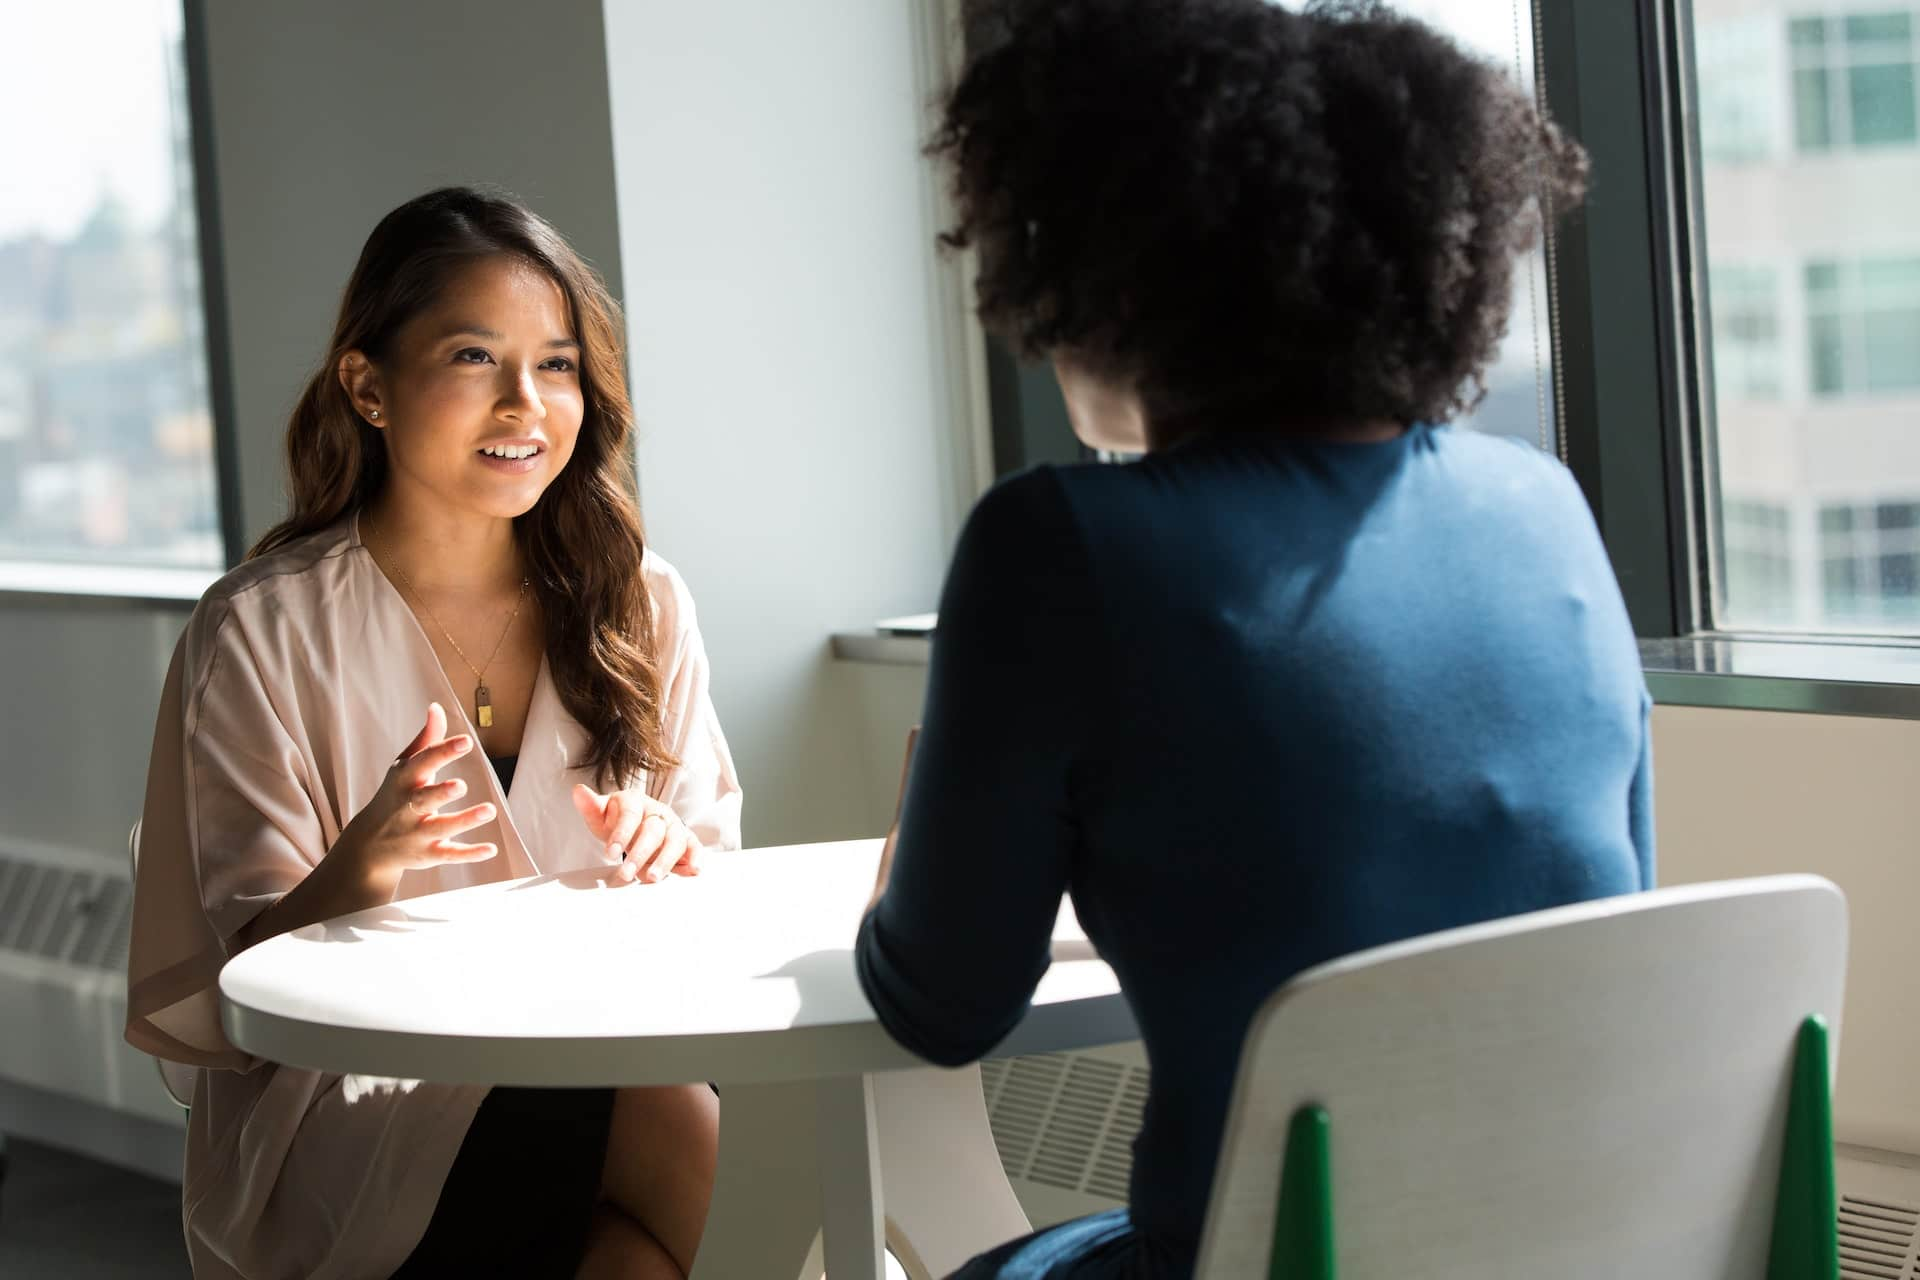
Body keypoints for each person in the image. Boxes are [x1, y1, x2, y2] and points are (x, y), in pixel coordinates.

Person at [854, 2, 1649, 1277]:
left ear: (1108, 272)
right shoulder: (1544, 510)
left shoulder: (1059, 541)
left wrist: (913, 877)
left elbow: (942, 1006)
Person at [125, 187, 741, 1280]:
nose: (527, 403)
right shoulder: (261, 628)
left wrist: (670, 850)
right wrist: (354, 875)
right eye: (473, 357)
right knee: (674, 1125)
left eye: (556, 364)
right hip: (350, 1104)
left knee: (657, 1165)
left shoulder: (642, 601)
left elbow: (715, 887)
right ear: (368, 386)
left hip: (607, 1048)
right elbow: (239, 994)